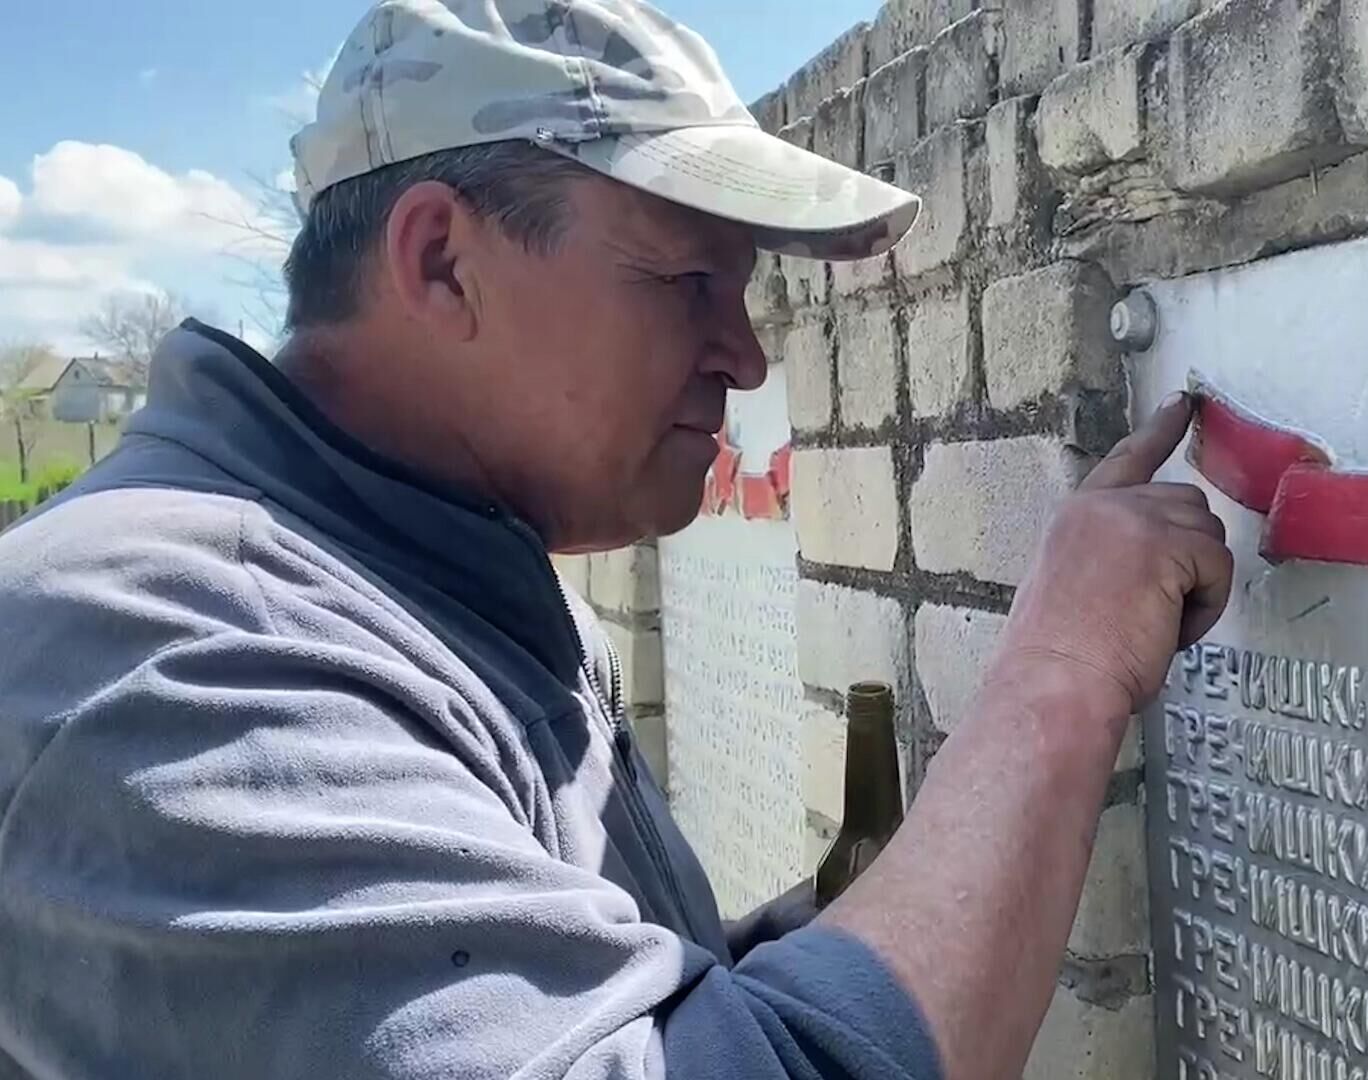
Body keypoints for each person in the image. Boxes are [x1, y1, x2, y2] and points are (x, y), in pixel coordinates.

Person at [0, 2, 1232, 1077]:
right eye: (682, 280)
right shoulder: (169, 655)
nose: (746, 355)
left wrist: (852, 933)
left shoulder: (443, 579)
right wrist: (1062, 675)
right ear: (441, 264)